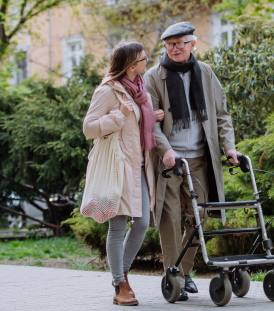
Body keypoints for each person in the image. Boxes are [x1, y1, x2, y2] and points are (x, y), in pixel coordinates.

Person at [144, 22, 242, 301]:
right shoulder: (154, 76)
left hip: (200, 158)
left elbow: (222, 115)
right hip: (169, 159)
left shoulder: (206, 73)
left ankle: (184, 272)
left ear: (192, 45)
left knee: (198, 216)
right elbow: (150, 122)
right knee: (170, 216)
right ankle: (172, 274)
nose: (174, 49)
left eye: (180, 43)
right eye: (169, 45)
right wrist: (165, 151)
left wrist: (230, 149)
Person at [83, 42, 164, 306]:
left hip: (139, 164)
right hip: (118, 167)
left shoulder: (140, 90)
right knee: (117, 226)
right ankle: (120, 283)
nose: (146, 62)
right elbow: (88, 129)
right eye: (143, 59)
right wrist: (118, 115)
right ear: (131, 66)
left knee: (141, 223)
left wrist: (153, 116)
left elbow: (140, 121)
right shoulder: (107, 91)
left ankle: (123, 273)